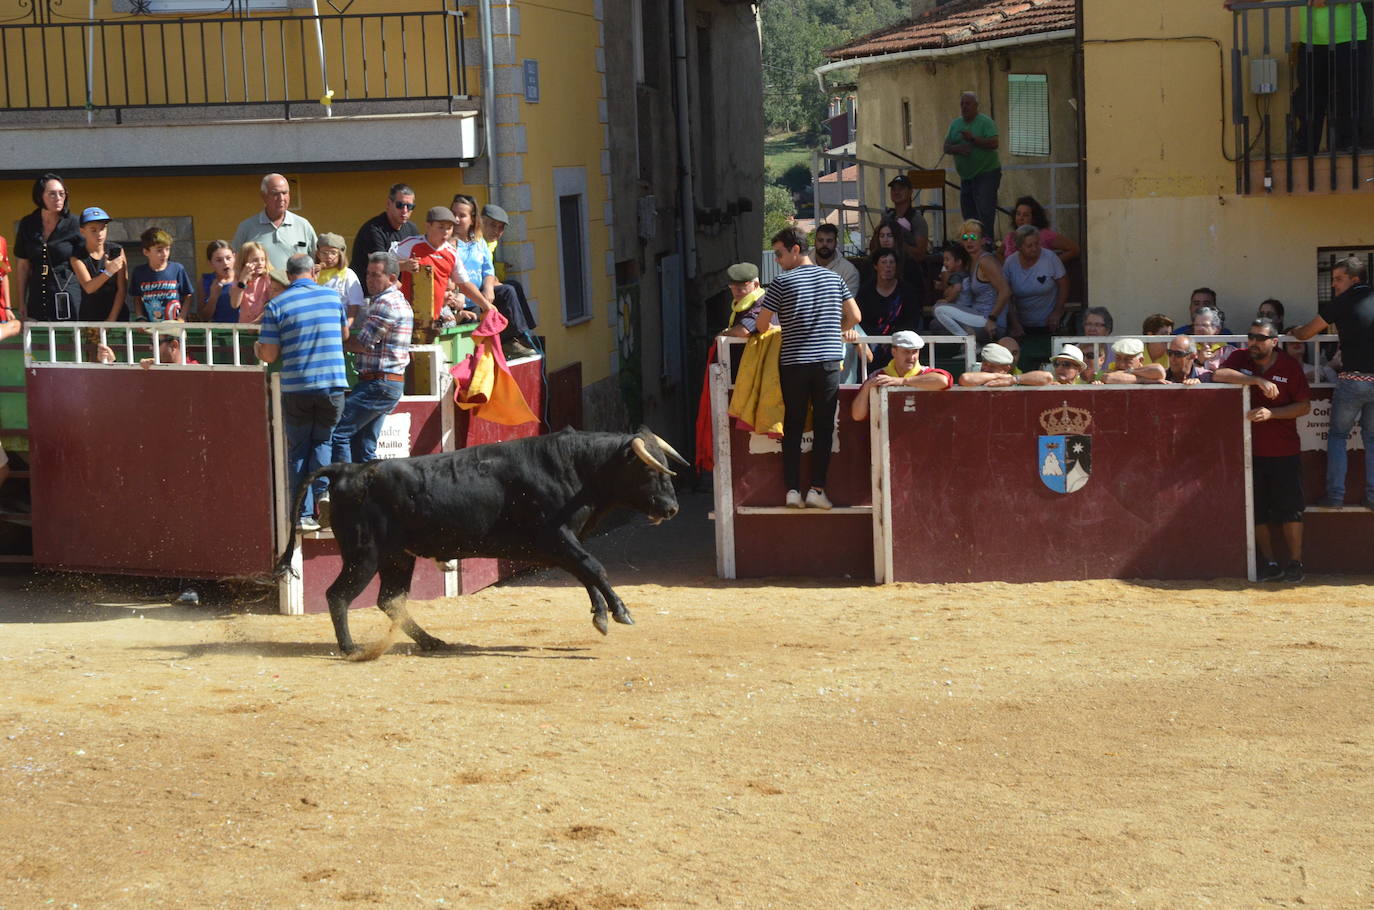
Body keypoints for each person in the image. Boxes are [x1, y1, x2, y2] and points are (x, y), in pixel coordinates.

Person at [754, 226, 861, 511]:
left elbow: (762, 325)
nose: (777, 259)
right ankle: (817, 489)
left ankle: (792, 490)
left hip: (794, 363)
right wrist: (834, 331)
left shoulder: (780, 283)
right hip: (826, 362)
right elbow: (855, 316)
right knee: (824, 427)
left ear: (795, 250)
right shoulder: (834, 278)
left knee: (793, 425)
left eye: (779, 254)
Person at [254, 253, 350, 532]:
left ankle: (302, 515)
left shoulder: (277, 304)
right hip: (333, 384)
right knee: (323, 442)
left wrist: (258, 348)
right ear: (313, 272)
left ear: (288, 274)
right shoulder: (333, 298)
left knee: (299, 451)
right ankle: (323, 494)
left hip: (298, 386)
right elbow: (344, 334)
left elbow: (270, 355)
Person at [1213, 318, 1312, 582]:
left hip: (1284, 451)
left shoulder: (1289, 366)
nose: (1253, 342)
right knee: (1257, 511)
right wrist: (1256, 380)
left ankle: (1295, 563)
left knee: (1291, 510)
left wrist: (1272, 413)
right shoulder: (1241, 358)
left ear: (1274, 342)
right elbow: (1218, 374)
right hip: (1249, 454)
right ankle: (1269, 562)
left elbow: (1304, 407)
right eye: (1251, 337)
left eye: (1260, 338)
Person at [1291, 255, 1374, 509]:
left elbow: (1306, 333)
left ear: (1355, 278)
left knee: (1338, 435)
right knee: (1372, 439)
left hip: (1353, 380)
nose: (1334, 285)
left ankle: (1336, 496)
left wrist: (1293, 331)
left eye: (1338, 279)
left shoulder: (1342, 302)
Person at [328, 252, 414, 471]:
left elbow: (363, 344)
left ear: (392, 278)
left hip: (378, 383)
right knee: (364, 445)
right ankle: (369, 496)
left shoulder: (385, 303)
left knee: (339, 432)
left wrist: (332, 341)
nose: (369, 279)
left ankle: (344, 489)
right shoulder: (396, 301)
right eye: (368, 274)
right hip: (387, 382)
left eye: (376, 275)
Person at [391, 206, 483, 333]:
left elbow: (465, 284)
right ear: (428, 226)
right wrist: (403, 266)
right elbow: (382, 265)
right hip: (406, 317)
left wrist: (486, 305)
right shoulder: (411, 244)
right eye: (441, 227)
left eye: (449, 228)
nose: (445, 232)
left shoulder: (451, 253)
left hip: (434, 321)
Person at [13, 173, 82, 321]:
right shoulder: (28, 224)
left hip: (68, 292)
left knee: (69, 340)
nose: (58, 198)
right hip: (38, 294)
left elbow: (85, 261)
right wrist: (21, 302)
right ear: (40, 197)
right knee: (40, 340)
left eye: (61, 193)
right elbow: (23, 266)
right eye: (52, 194)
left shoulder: (75, 223)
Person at [931, 219, 1010, 339]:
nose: (969, 241)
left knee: (939, 309)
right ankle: (968, 343)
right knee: (936, 324)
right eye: (965, 237)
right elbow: (948, 283)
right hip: (977, 314)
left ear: (983, 240)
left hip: (990, 320)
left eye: (973, 237)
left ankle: (968, 345)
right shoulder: (971, 262)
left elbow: (1006, 291)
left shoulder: (986, 261)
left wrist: (992, 319)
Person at [479, 203, 539, 354]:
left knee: (515, 285)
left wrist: (494, 278)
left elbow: (489, 268)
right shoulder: (476, 241)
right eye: (493, 225)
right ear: (481, 222)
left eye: (501, 228)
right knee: (507, 291)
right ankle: (509, 339)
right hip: (474, 287)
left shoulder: (491, 242)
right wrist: (491, 282)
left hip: (485, 283)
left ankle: (526, 333)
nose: (497, 231)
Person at [851, 330, 952, 421]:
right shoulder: (877, 375)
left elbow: (943, 381)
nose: (911, 357)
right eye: (906, 352)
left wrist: (902, 381)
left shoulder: (926, 373)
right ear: (894, 352)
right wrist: (866, 387)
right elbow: (857, 416)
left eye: (915, 352)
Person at [231, 173, 318, 271]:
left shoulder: (303, 225)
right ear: (264, 196)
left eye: (285, 193)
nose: (281, 198)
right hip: (261, 286)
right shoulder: (247, 227)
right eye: (275, 194)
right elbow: (235, 263)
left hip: (296, 286)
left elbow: (317, 261)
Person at [943, 91, 1001, 236]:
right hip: (966, 176)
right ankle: (972, 242)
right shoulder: (956, 124)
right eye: (962, 104)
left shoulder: (985, 122)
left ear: (976, 106)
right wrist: (958, 148)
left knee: (985, 211)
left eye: (968, 104)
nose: (964, 107)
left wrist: (973, 139)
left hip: (987, 173)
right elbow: (946, 147)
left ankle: (987, 243)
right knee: (968, 211)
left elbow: (994, 143)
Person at [1003, 224, 1067, 338]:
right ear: (1019, 247)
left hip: (1049, 324)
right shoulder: (1010, 263)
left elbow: (1064, 285)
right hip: (1021, 325)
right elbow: (1005, 295)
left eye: (1037, 243)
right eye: (1029, 245)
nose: (1035, 248)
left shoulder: (1050, 258)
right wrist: (1014, 323)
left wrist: (1057, 312)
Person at [857, 249, 919, 360]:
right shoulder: (865, 292)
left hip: (901, 346)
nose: (888, 266)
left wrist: (893, 339)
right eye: (884, 262)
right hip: (871, 346)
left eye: (891, 262)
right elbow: (860, 320)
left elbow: (912, 320)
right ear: (876, 266)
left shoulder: (907, 291)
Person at [350, 183, 420, 280]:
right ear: (388, 204)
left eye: (409, 206)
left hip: (396, 288)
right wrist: (404, 266)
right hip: (368, 291)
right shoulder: (373, 229)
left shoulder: (412, 229)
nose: (405, 210)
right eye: (400, 205)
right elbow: (380, 265)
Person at [69, 206, 127, 321]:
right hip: (90, 317)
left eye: (103, 228)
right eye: (93, 230)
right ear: (82, 231)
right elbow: (89, 287)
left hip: (117, 316)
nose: (99, 234)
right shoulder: (77, 256)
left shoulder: (116, 251)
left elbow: (122, 288)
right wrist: (109, 272)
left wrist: (111, 319)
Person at [128, 228, 193, 322]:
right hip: (151, 328)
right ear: (146, 252)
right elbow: (137, 297)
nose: (165, 254)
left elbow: (188, 296)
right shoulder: (139, 272)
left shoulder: (177, 269)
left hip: (174, 327)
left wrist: (182, 317)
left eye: (167, 249)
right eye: (159, 250)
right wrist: (140, 317)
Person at [1000, 196, 1079, 263]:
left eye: (1026, 215)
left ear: (1034, 218)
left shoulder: (1044, 234)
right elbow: (998, 254)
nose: (1021, 218)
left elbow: (1074, 249)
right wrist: (1006, 269)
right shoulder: (1010, 237)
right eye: (1018, 214)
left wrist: (1052, 264)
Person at [315, 233, 364, 326]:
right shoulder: (312, 274)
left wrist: (348, 325)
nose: (328, 256)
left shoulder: (348, 274)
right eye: (324, 253)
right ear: (318, 254)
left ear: (340, 255)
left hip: (340, 324)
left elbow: (354, 304)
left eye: (333, 253)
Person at [229, 241, 284, 324]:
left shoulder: (269, 278)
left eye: (263, 259)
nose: (260, 263)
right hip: (245, 326)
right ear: (244, 262)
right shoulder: (238, 279)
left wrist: (258, 320)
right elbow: (234, 304)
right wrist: (243, 280)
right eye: (255, 260)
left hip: (266, 325)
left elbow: (275, 302)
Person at [884, 174, 930, 261]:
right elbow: (873, 246)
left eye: (900, 189)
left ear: (910, 192)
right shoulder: (887, 218)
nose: (896, 192)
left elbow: (920, 254)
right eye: (893, 189)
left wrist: (897, 245)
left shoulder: (917, 220)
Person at [813, 223, 860, 297]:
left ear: (836, 243)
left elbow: (847, 305)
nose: (824, 244)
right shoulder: (802, 263)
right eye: (820, 240)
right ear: (814, 242)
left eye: (829, 241)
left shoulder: (849, 271)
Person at [719, 262, 764, 338]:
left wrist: (724, 334)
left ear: (755, 285)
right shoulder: (741, 305)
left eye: (740, 288)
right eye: (732, 287)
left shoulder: (762, 303)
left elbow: (744, 331)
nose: (735, 292)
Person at [1097, 338, 1167, 384]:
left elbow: (1159, 370)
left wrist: (1129, 372)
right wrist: (1146, 381)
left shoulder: (1147, 370)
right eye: (1118, 358)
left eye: (1128, 359)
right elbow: (1108, 378)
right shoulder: (1111, 369)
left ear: (1141, 360)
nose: (1121, 364)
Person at [200, 240, 238, 323]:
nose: (225, 263)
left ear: (234, 257)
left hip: (242, 331)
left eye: (228, 258)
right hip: (217, 332)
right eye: (219, 260)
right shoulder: (206, 280)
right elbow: (203, 317)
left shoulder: (242, 279)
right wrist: (213, 297)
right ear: (210, 263)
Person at [1018, 344, 1088, 386]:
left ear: (1079, 369)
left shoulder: (1087, 387)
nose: (1059, 368)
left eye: (1066, 364)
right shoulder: (1045, 382)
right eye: (1056, 364)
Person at [1192, 306, 1232, 375]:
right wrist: (1199, 361)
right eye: (1196, 325)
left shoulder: (1229, 351)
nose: (1199, 329)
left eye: (1204, 325)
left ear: (1217, 329)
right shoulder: (1188, 350)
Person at [1079, 306, 1113, 377]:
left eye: (1097, 325)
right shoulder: (1074, 350)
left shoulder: (1115, 352)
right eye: (1088, 324)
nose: (1092, 329)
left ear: (1107, 330)